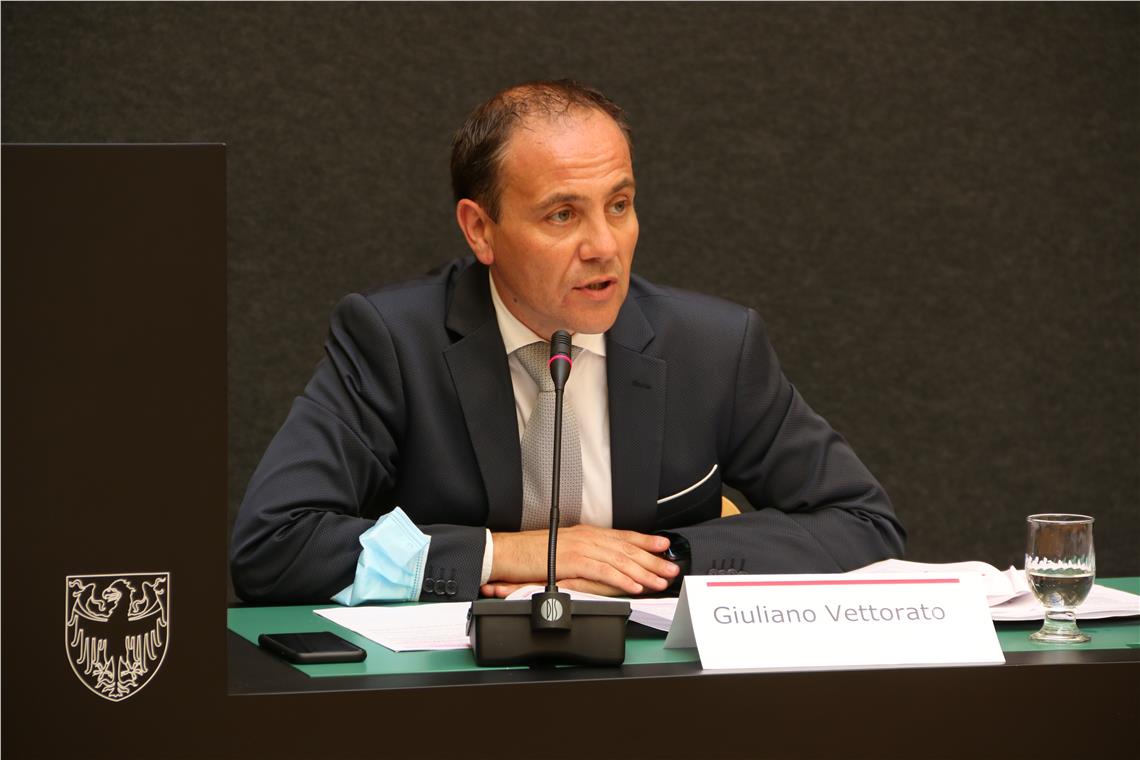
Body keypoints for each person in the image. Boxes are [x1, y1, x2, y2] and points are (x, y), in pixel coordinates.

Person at [230, 80, 905, 605]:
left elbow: (864, 524)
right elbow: (273, 546)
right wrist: (508, 554)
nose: (604, 246)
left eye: (619, 205)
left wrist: (661, 561)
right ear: (480, 230)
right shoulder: (394, 342)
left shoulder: (713, 348)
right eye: (563, 214)